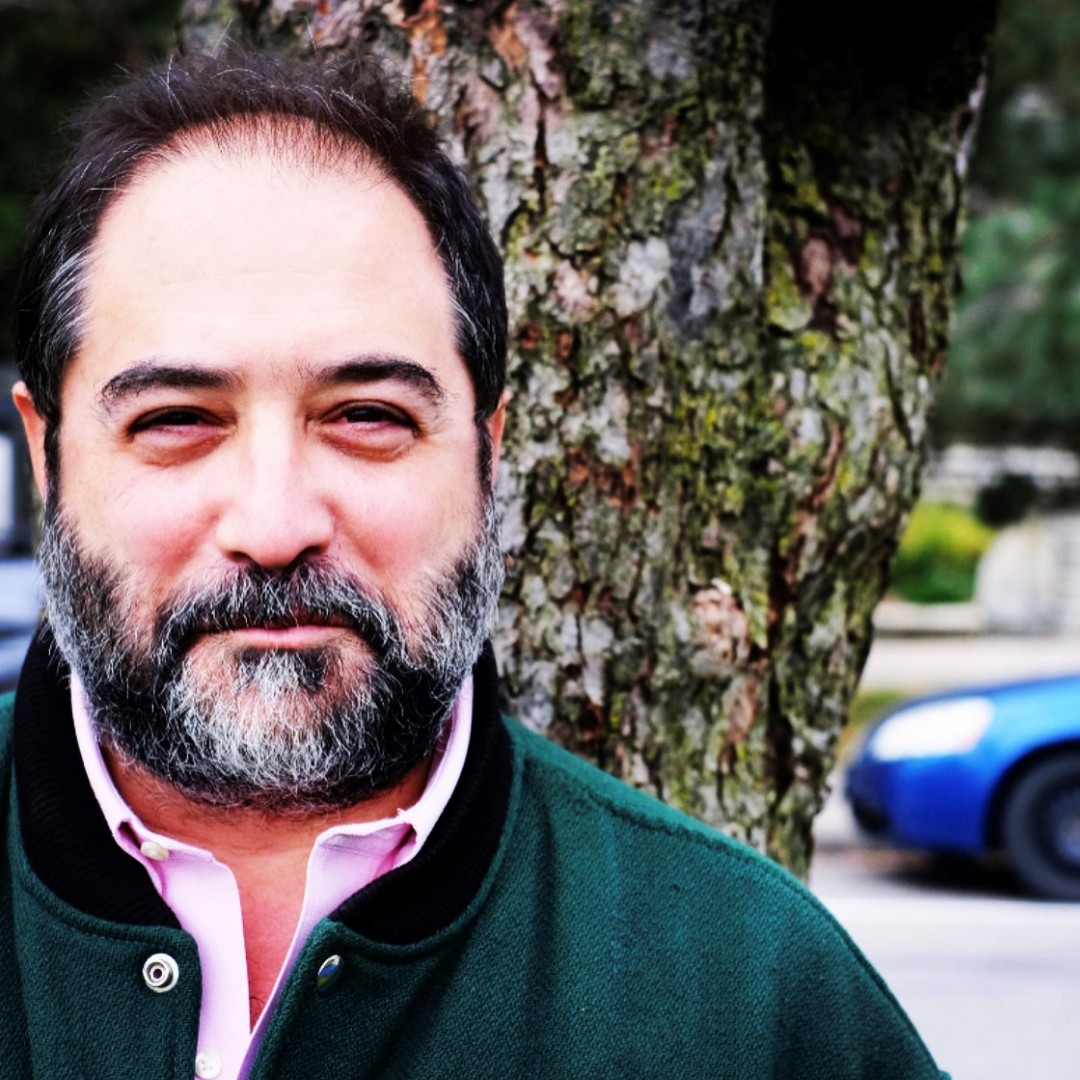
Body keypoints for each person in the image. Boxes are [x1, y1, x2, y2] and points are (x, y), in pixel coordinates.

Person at [1, 49, 947, 1080]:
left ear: (489, 452)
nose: (273, 526)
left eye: (367, 416)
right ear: (46, 455)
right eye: (178, 419)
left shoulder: (755, 989)